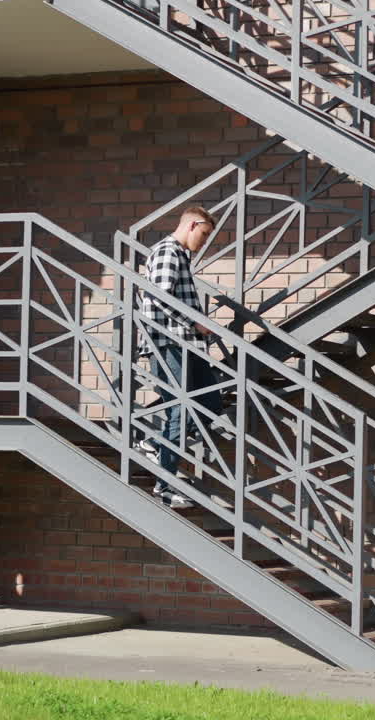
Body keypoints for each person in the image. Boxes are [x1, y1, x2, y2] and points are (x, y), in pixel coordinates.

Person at [138, 205, 223, 509]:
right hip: (167, 343)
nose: (204, 241)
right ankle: (165, 486)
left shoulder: (181, 256)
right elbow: (158, 297)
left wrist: (201, 330)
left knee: (212, 402)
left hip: (188, 344)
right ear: (192, 225)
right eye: (204, 234)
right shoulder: (167, 252)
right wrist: (195, 322)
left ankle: (154, 444)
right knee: (181, 410)